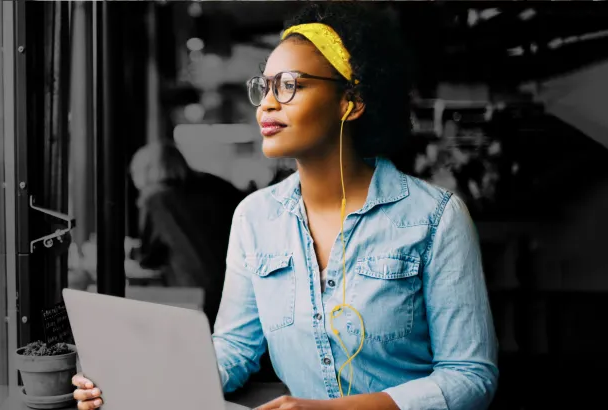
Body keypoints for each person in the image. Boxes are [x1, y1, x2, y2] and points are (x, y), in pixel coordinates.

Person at [73, 3, 498, 410]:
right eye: (265, 86)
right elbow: (235, 348)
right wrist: (135, 381)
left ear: (351, 101)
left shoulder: (436, 217)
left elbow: (470, 377)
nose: (268, 103)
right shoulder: (255, 218)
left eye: (290, 84)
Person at [128, 141, 246, 332]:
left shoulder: (157, 199)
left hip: (195, 295)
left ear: (145, 172)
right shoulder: (215, 185)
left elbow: (149, 259)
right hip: (240, 287)